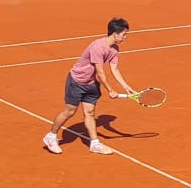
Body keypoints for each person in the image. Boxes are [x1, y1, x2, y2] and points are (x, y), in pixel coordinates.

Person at [44, 18, 139, 155]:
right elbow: (100, 72)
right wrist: (110, 90)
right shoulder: (98, 47)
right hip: (77, 81)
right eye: (124, 34)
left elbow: (114, 69)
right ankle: (51, 136)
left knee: (90, 113)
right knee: (70, 111)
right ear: (115, 34)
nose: (125, 37)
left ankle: (94, 144)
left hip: (91, 84)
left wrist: (126, 87)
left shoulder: (115, 49)